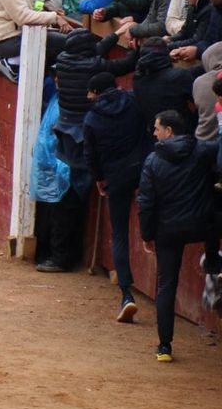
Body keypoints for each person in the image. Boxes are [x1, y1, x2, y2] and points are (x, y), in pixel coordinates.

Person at [137, 110, 221, 362]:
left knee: (167, 285)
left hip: (168, 229)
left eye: (157, 128)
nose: (154, 133)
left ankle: (164, 346)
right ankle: (213, 259)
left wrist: (147, 234)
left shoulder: (153, 161)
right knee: (216, 216)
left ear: (169, 131)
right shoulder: (202, 151)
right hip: (201, 225)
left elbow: (146, 202)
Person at [84, 72, 154, 323]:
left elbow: (91, 156)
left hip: (116, 177)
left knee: (120, 234)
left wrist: (100, 179)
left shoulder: (92, 118)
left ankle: (127, 294)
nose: (88, 97)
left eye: (90, 92)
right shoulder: (134, 102)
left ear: (97, 93)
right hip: (145, 170)